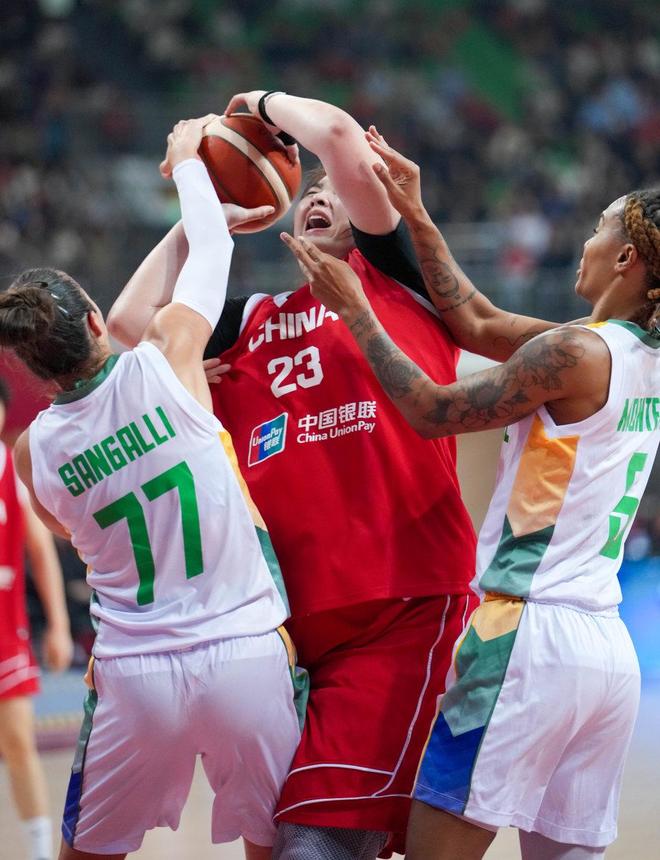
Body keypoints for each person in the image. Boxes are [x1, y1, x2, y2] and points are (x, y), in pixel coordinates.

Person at [107, 92, 564, 859]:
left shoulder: (398, 280)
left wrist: (256, 104)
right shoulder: (248, 318)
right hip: (280, 632)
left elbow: (342, 139)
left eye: (331, 190)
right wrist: (202, 219)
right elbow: (128, 326)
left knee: (314, 843)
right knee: (276, 844)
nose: (317, 196)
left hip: (397, 608)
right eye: (306, 192)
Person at [282, 139, 660, 860]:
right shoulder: (624, 353)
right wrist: (417, 214)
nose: (584, 241)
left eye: (599, 228)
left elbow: (430, 410)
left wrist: (357, 312)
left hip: (526, 636)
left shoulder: (575, 354)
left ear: (625, 258)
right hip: (607, 656)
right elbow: (478, 322)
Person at [4, 117, 303, 860]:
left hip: (134, 673)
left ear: (32, 375)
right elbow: (213, 252)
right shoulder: (171, 357)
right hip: (242, 650)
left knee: (89, 854)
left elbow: (70, 533)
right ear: (95, 321)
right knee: (275, 846)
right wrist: (188, 166)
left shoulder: (33, 452)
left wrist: (200, 217)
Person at [0, 378, 73, 860]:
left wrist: (59, 625)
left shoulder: (10, 467)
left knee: (18, 741)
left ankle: (40, 850)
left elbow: (41, 552)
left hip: (6, 631)